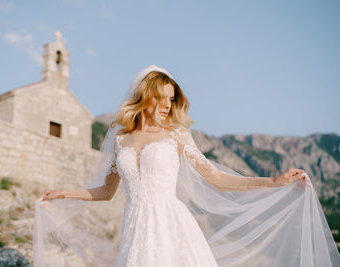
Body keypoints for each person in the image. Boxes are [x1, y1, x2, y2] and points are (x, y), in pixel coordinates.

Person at [33, 65, 340, 267]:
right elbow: (106, 191)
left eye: (172, 98)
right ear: (145, 97)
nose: (168, 105)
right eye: (161, 98)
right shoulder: (121, 140)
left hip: (172, 225)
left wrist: (273, 181)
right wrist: (63, 194)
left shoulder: (176, 135)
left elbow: (215, 177)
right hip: (136, 231)